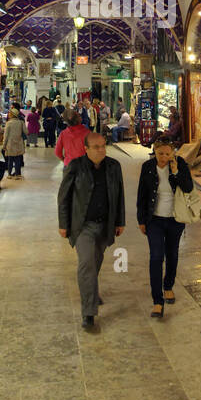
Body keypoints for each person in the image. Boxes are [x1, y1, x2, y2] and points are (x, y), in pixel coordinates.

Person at [57, 132, 126, 331]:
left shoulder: (114, 167)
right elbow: (64, 197)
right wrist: (64, 224)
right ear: (86, 149)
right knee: (86, 264)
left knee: (96, 262)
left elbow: (119, 194)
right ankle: (89, 311)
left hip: (105, 224)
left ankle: (91, 291)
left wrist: (119, 221)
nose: (101, 150)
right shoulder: (76, 166)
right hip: (83, 225)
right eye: (96, 147)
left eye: (103, 146)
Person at [137, 137, 193, 318]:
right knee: (155, 257)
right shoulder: (148, 167)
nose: (163, 157)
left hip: (175, 219)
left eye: (167, 153)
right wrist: (141, 220)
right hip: (154, 220)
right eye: (160, 153)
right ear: (155, 150)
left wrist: (176, 173)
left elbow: (188, 188)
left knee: (172, 254)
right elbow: (142, 196)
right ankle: (157, 301)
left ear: (173, 152)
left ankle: (168, 285)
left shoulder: (180, 164)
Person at [1, 110, 27, 178]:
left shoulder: (8, 123)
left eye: (10, 113)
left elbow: (6, 136)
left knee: (10, 159)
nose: (8, 114)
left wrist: (4, 145)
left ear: (12, 114)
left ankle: (9, 174)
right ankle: (17, 174)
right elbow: (26, 132)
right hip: (19, 142)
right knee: (18, 159)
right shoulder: (21, 122)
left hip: (10, 143)